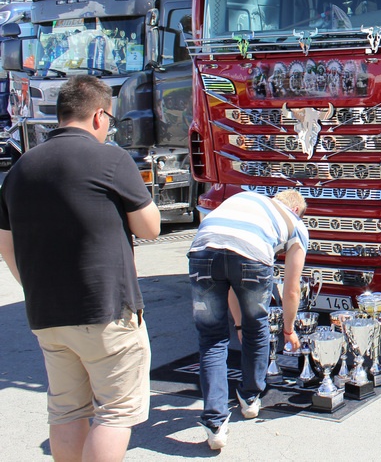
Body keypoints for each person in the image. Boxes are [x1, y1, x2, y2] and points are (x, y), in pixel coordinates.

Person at [0, 75, 161, 461]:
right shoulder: (110, 158)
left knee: (67, 411)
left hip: (46, 315)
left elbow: (7, 249)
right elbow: (151, 227)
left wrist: (36, 288)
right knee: (116, 413)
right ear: (99, 116)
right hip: (106, 309)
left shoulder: (20, 169)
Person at [187, 189, 309, 450]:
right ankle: (250, 397)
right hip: (251, 255)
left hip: (202, 250)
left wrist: (237, 323)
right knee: (258, 330)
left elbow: (229, 283)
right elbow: (291, 289)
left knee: (211, 339)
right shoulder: (296, 224)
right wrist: (288, 329)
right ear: (297, 210)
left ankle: (215, 422)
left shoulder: (244, 199)